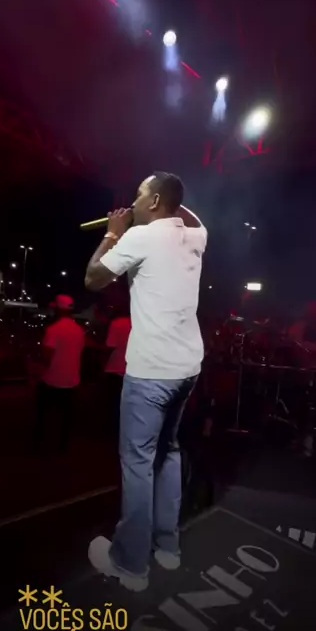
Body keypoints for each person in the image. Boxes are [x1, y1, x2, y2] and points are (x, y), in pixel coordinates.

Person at [84, 172, 207, 591]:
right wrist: (165, 198)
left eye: (138, 196)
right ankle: (167, 548)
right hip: (187, 369)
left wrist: (113, 232)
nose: (132, 202)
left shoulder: (140, 237)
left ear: (154, 202)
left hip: (151, 370)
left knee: (138, 463)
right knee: (168, 452)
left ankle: (131, 564)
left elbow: (93, 278)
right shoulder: (196, 236)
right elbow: (187, 213)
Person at [34, 294, 85, 452]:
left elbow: (46, 357)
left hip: (52, 380)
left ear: (58, 309)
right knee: (66, 417)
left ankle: (42, 443)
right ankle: (63, 445)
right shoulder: (79, 330)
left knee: (44, 414)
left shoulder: (53, 330)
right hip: (72, 380)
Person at [102, 300, 131, 436]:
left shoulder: (117, 323)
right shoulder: (142, 323)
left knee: (112, 403)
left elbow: (110, 345)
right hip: (134, 370)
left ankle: (112, 431)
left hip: (115, 368)